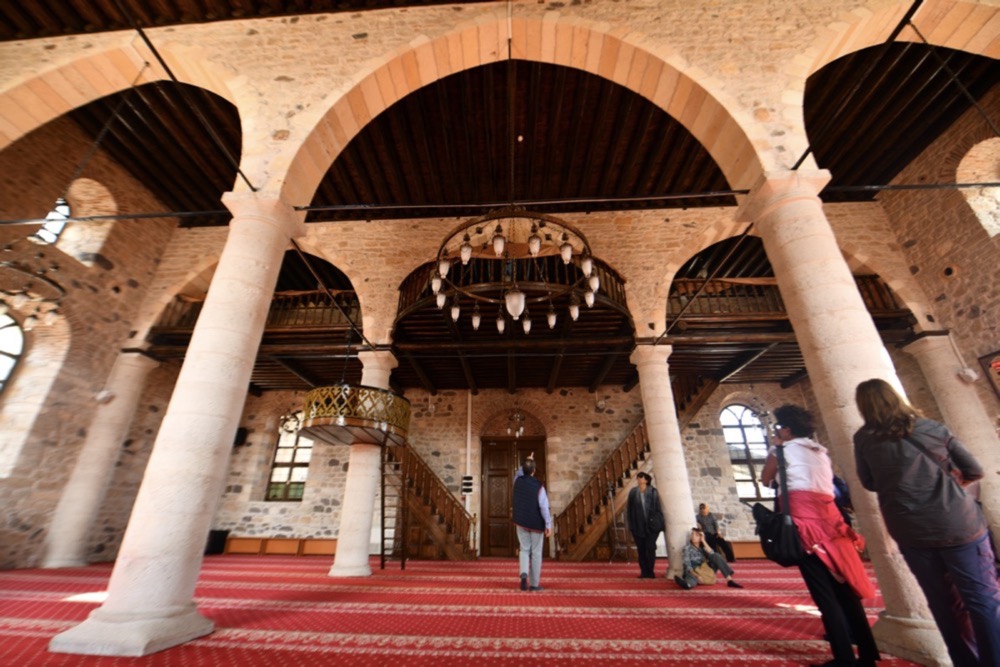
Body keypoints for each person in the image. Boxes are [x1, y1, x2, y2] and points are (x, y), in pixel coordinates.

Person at [854, 379, 1000, 667]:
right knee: (982, 600)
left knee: (942, 604)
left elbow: (869, 482)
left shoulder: (864, 439)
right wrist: (947, 487)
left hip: (910, 529)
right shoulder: (932, 428)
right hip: (958, 524)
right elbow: (974, 469)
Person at [762, 404, 879, 667]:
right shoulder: (820, 452)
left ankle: (844, 658)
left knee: (825, 595)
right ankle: (868, 655)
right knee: (846, 591)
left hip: (805, 525)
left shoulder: (781, 451)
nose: (776, 431)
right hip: (832, 522)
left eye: (778, 427)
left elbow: (766, 479)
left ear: (787, 429)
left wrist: (775, 447)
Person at [512, 452, 552, 592]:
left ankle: (524, 575)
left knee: (524, 549)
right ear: (534, 471)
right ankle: (534, 584)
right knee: (536, 553)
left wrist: (528, 460)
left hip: (521, 521)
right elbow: (544, 507)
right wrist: (548, 524)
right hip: (536, 524)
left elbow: (519, 472)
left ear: (523, 469)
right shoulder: (539, 486)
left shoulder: (517, 481)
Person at [674, 526, 743, 589]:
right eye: (692, 534)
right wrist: (697, 575)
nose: (693, 536)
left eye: (696, 535)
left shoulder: (702, 548)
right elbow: (687, 565)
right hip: (694, 570)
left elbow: (712, 554)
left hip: (705, 570)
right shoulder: (687, 548)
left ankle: (730, 580)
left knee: (716, 556)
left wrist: (703, 541)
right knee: (691, 576)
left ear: (700, 538)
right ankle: (688, 584)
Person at [626, 472, 664, 578]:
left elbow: (658, 508)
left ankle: (650, 571)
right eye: (638, 478)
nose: (639, 479)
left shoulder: (653, 492)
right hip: (638, 526)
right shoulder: (633, 492)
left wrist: (657, 522)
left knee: (650, 548)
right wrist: (631, 525)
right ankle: (644, 572)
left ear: (646, 480)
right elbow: (629, 509)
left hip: (651, 527)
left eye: (641, 477)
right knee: (641, 550)